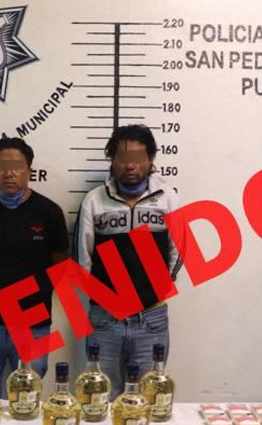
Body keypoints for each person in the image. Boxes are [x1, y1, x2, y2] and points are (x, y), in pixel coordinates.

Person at [74, 124, 182, 399]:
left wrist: (158, 288)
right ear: (112, 160)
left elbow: (179, 250)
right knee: (101, 397)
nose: (130, 166)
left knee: (148, 397)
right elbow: (83, 257)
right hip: (105, 318)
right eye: (123, 158)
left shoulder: (168, 198)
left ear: (151, 159)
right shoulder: (95, 200)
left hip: (152, 318)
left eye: (138, 158)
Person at [0, 137, 69, 398]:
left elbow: (60, 267)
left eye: (17, 167)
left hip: (33, 325)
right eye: (1, 167)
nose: (9, 173)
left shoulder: (49, 212)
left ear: (29, 171)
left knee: (25, 404)